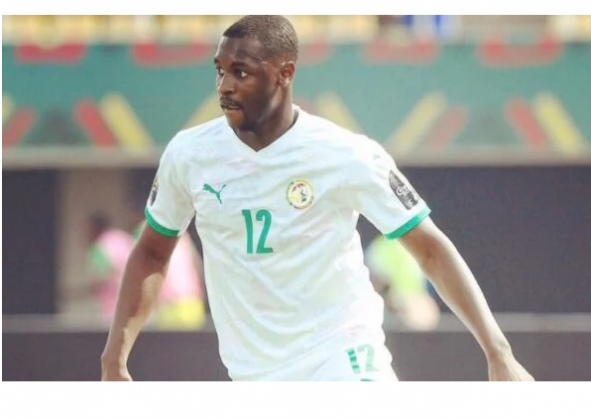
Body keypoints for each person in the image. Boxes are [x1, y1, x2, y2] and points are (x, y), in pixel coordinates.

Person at [101, 15, 534, 382]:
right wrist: (113, 358)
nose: (225, 86)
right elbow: (153, 252)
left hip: (343, 357)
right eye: (220, 70)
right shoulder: (189, 154)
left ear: (285, 73)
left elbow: (431, 250)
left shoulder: (347, 154)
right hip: (252, 373)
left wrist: (499, 352)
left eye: (241, 72)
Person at [132, 221, 206, 330]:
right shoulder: (181, 231)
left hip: (167, 303)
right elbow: (196, 263)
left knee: (169, 344)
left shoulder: (144, 230)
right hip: (192, 300)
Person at [365, 234, 440, 331]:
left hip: (413, 299)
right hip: (390, 303)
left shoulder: (418, 245)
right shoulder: (380, 247)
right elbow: (374, 282)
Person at [84, 212, 134, 325]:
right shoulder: (123, 237)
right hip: (135, 302)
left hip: (113, 306)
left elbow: (104, 273)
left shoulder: (100, 246)